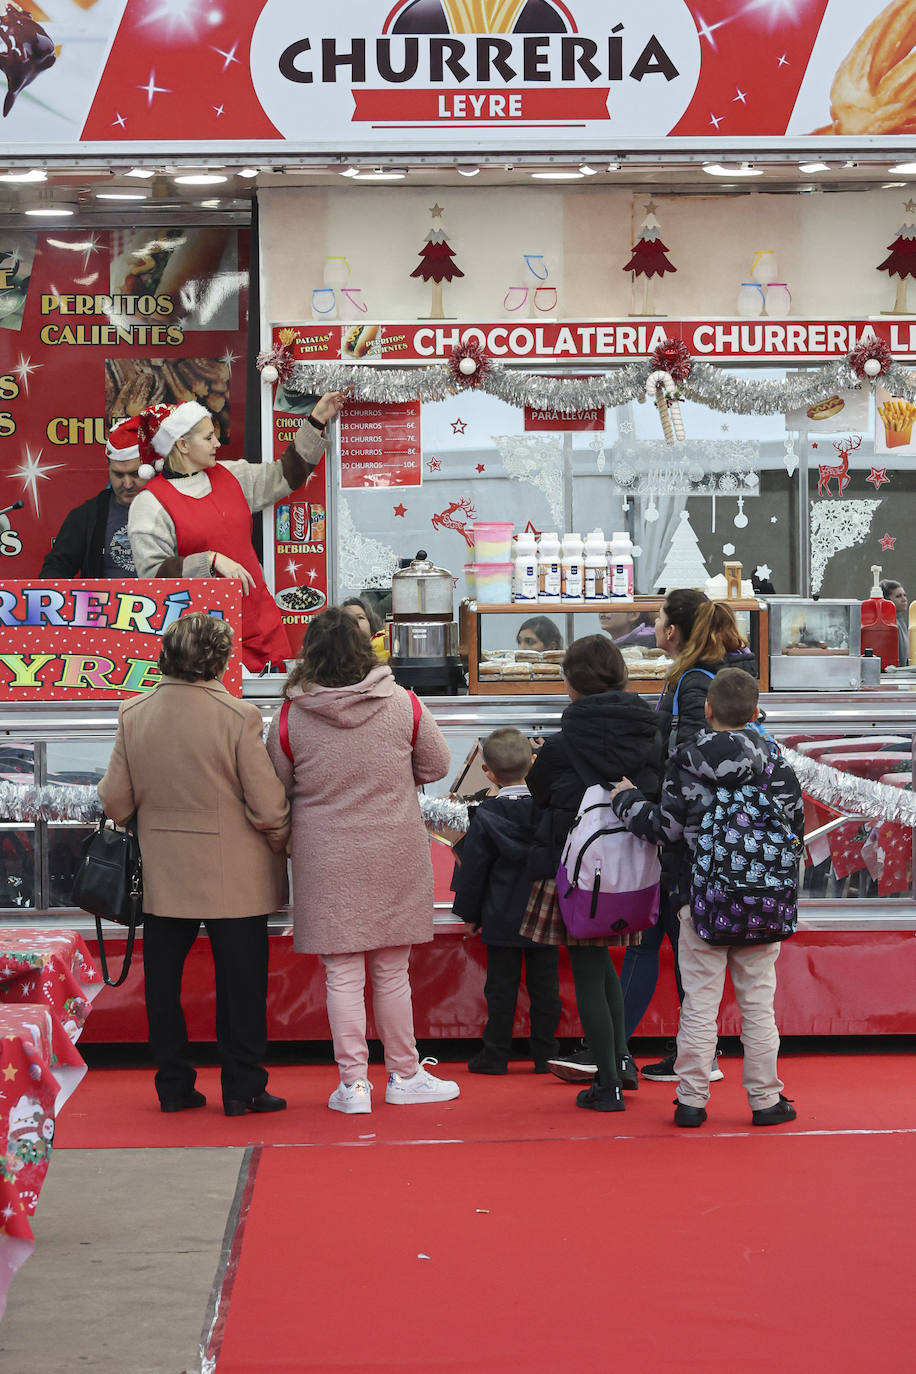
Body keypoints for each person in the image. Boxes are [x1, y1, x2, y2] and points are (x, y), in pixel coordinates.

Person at [265, 607, 459, 1115]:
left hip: (325, 855)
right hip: (394, 848)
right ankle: (405, 1074)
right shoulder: (402, 703)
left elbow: (276, 785)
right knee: (394, 971)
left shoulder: (290, 715)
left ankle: (353, 1086)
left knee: (342, 974)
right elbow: (437, 764)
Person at [97, 612, 291, 1116]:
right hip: (237, 875)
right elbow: (269, 807)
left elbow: (115, 802)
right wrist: (283, 842)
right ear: (221, 659)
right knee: (242, 988)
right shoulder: (237, 716)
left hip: (164, 875)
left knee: (162, 986)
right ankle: (243, 1088)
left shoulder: (134, 712)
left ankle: (174, 1085)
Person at [610, 669, 803, 1127]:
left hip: (700, 899)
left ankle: (692, 1101)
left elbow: (666, 829)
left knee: (699, 1001)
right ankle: (765, 1100)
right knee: (758, 1003)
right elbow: (794, 829)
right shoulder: (775, 761)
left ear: (708, 710)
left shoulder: (687, 759)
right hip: (764, 901)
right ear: (756, 712)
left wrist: (627, 800)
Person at [521, 635, 663, 1112]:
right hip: (631, 869)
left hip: (578, 869)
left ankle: (608, 1084)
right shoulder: (648, 728)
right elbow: (654, 784)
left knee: (587, 972)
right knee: (604, 967)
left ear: (573, 684)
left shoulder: (566, 739)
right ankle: (621, 1060)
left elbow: (540, 788)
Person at [621, 591, 755, 1083]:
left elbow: (698, 759)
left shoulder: (693, 681)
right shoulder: (704, 674)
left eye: (657, 618)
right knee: (665, 940)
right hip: (701, 837)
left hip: (689, 836)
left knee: (680, 944)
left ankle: (693, 1060)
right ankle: (663, 1053)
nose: (654, 625)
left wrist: (655, 808)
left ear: (672, 631)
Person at [127, 391, 347, 672]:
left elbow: (285, 474)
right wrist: (209, 560)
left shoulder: (232, 475)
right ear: (182, 445)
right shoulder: (150, 503)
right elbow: (152, 578)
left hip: (260, 625)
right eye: (208, 438)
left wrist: (316, 420)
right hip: (201, 643)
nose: (217, 443)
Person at [451, 727, 561, 1075]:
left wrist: (469, 914)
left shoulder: (485, 815)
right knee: (546, 989)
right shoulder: (550, 811)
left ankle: (495, 1054)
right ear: (533, 762)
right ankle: (546, 1054)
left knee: (500, 988)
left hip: (500, 915)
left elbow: (474, 870)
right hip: (544, 914)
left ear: (488, 773)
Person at [40, 415, 144, 578]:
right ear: (108, 469)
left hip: (165, 602)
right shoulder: (87, 515)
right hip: (98, 603)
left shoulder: (172, 508)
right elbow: (56, 568)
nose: (128, 484)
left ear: (150, 469)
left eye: (135, 474)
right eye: (118, 475)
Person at [342, 595, 390, 662]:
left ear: (371, 623)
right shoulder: (336, 658)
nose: (354, 622)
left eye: (360, 617)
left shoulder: (387, 650)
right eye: (348, 618)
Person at [881, 579, 908, 667]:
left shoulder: (900, 620)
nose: (904, 599)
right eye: (898, 596)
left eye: (904, 595)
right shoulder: (888, 624)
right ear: (887, 600)